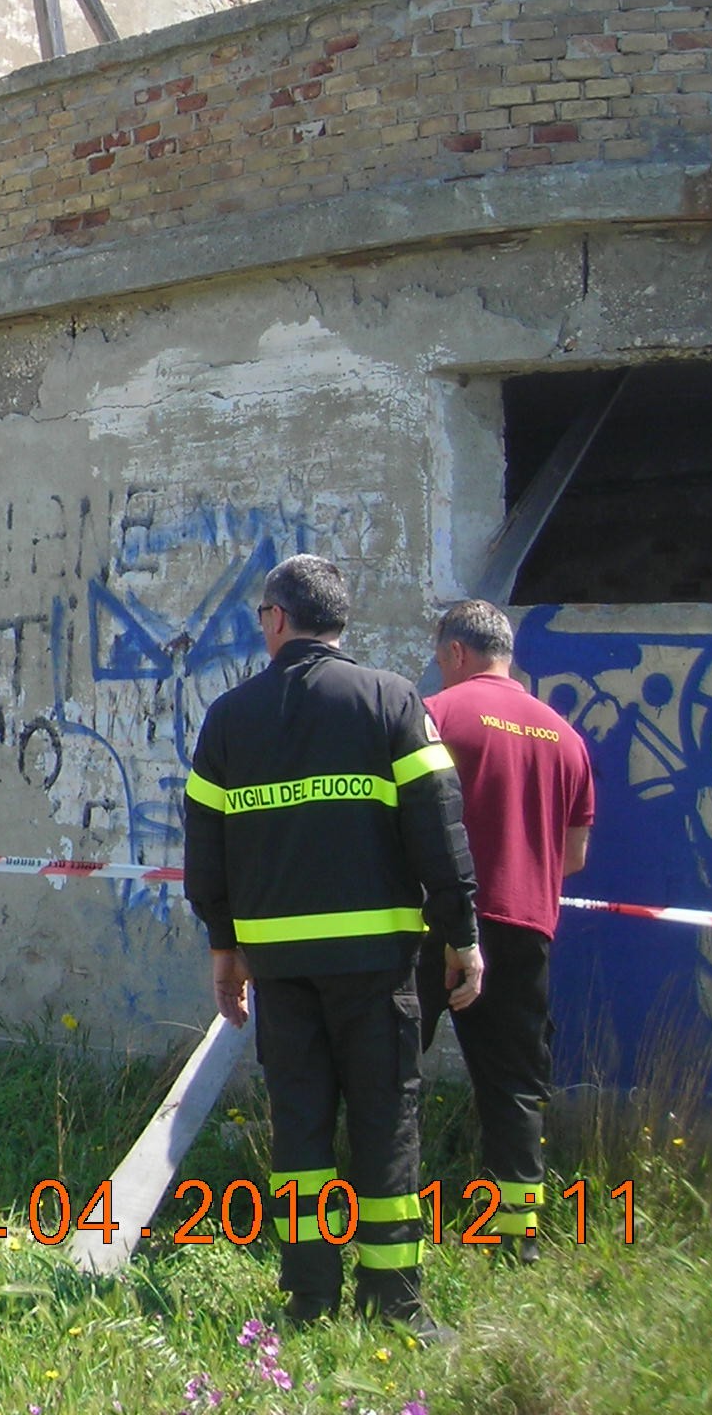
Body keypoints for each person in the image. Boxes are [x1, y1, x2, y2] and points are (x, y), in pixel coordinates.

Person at [183, 555, 484, 1331]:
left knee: (301, 1128)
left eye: (262, 617)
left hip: (280, 970)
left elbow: (205, 849)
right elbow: (438, 826)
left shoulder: (229, 719)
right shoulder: (390, 700)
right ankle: (395, 1304)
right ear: (338, 622)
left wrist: (225, 948)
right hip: (377, 966)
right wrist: (461, 933)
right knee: (386, 1122)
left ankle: (310, 1297)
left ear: (278, 619)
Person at [419, 599, 594, 1262]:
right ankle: (516, 1238)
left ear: (456, 652)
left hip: (437, 922)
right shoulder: (566, 738)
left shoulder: (436, 715)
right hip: (525, 926)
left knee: (393, 1069)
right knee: (516, 1086)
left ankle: (387, 1215)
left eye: (441, 659)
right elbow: (573, 857)